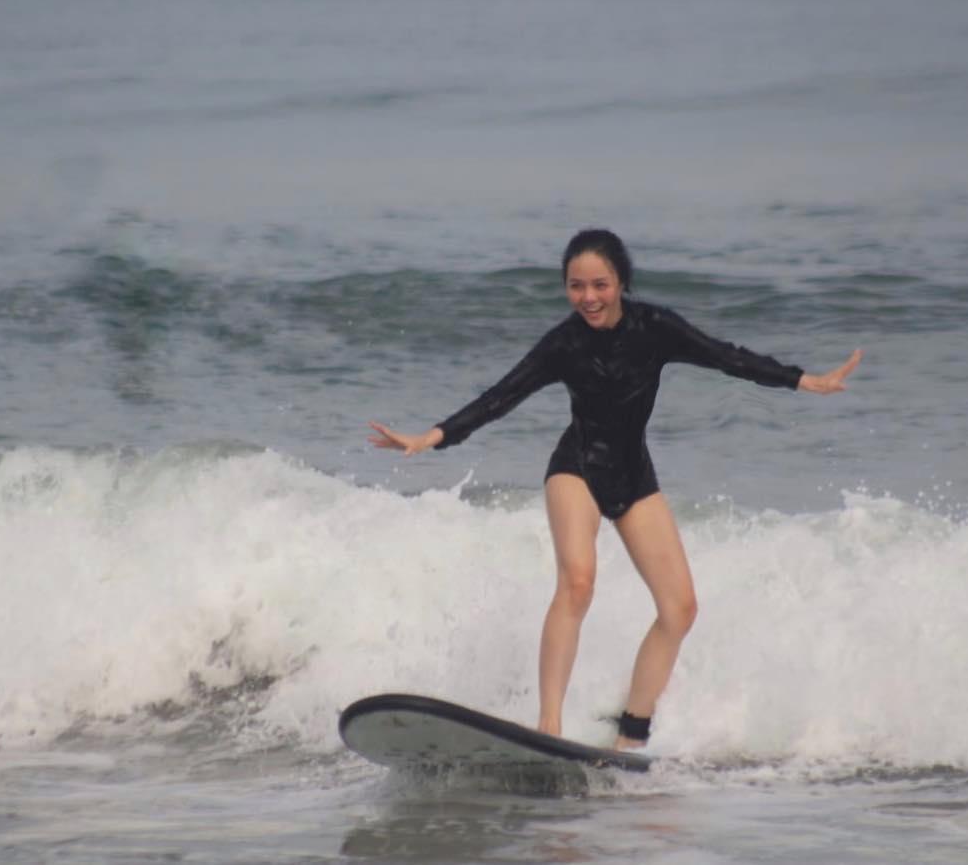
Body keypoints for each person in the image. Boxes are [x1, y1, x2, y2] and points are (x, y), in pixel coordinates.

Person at [369, 229, 861, 750]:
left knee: (680, 609)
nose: (588, 297)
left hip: (633, 476)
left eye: (599, 285)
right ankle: (548, 728)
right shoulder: (563, 344)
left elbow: (727, 357)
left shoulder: (655, 328)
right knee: (578, 582)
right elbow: (500, 397)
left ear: (621, 282)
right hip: (576, 467)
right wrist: (433, 437)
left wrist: (805, 380)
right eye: (576, 286)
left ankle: (630, 735)